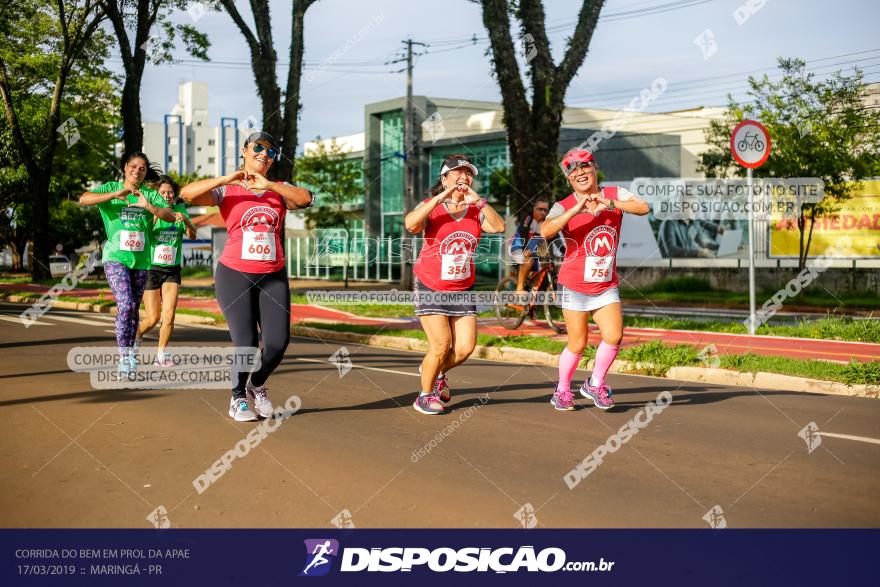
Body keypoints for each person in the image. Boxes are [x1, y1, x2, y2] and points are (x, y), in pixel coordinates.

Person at [180, 132, 314, 421]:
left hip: (272, 275)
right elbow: (187, 194)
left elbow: (305, 199)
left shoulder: (278, 189)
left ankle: (257, 384)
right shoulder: (227, 191)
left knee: (278, 343)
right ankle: (237, 397)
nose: (264, 155)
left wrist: (269, 185)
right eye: (258, 148)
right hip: (234, 274)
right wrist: (227, 179)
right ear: (245, 151)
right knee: (247, 343)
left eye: (271, 152)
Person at [540, 148, 649, 411]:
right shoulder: (563, 205)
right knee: (577, 343)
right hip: (574, 284)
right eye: (573, 170)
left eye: (584, 167)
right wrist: (576, 208)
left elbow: (643, 208)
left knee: (613, 336)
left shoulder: (614, 194)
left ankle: (595, 384)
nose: (580, 173)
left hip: (605, 284)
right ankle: (562, 390)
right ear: (568, 178)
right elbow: (545, 230)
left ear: (594, 167)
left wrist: (609, 204)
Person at [404, 154, 506, 415]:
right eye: (457, 172)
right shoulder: (432, 205)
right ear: (444, 177)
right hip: (431, 283)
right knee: (441, 345)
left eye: (468, 173)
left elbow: (499, 226)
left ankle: (436, 372)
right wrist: (440, 197)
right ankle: (424, 396)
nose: (463, 177)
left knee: (464, 348)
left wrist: (479, 201)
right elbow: (411, 224)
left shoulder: (475, 208)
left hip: (462, 287)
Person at [79, 152, 175, 375]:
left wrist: (149, 207)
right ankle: (124, 356)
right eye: (133, 166)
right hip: (115, 258)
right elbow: (84, 199)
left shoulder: (150, 194)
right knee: (126, 305)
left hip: (140, 261)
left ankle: (130, 353)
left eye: (142, 168)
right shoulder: (111, 187)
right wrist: (116, 193)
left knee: (133, 310)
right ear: (125, 168)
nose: (137, 171)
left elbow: (170, 216)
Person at [135, 175, 197, 366]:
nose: (168, 195)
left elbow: (193, 236)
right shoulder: (151, 210)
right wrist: (155, 215)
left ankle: (161, 355)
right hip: (152, 268)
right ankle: (134, 338)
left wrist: (185, 221)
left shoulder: (180, 209)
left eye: (170, 192)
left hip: (172, 269)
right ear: (157, 194)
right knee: (152, 318)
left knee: (169, 315)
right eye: (163, 192)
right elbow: (142, 235)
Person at [510, 199, 551, 292]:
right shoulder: (528, 218)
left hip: (531, 249)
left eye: (545, 210)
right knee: (528, 260)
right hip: (517, 247)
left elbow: (546, 240)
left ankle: (532, 291)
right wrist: (525, 249)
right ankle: (519, 287)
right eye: (540, 209)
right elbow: (522, 233)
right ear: (534, 209)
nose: (543, 212)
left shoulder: (545, 223)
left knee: (544, 267)